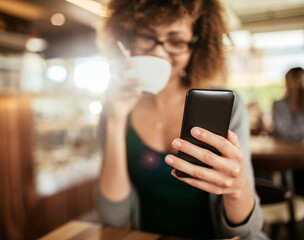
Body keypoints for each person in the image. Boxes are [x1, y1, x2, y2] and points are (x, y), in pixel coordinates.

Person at [96, 0, 266, 239]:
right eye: (146, 36)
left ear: (196, 46)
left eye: (175, 41)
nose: (158, 52)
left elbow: (249, 230)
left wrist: (237, 188)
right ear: (127, 36)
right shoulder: (115, 107)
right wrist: (114, 121)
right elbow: (113, 218)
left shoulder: (225, 106)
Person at [272, 67, 304, 142]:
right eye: (287, 81)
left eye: (292, 81)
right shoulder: (278, 105)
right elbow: (282, 131)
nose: (288, 85)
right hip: (282, 149)